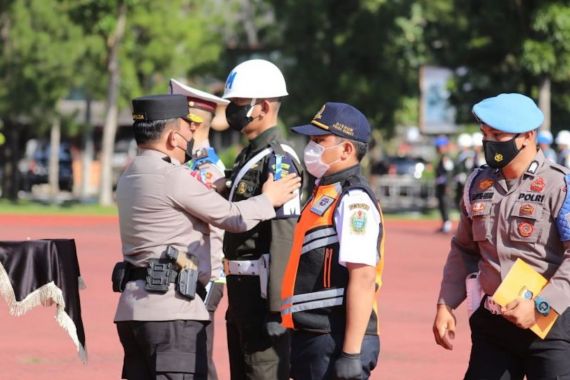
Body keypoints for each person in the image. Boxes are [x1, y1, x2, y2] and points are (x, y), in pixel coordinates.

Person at [113, 94, 301, 380]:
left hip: (132, 311)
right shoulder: (172, 177)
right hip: (171, 313)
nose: (193, 134)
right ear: (174, 138)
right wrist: (268, 198)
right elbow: (232, 217)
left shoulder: (129, 176)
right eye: (188, 127)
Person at [433, 93, 570, 379]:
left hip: (549, 324)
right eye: (485, 133)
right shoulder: (477, 184)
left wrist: (541, 306)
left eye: (497, 134)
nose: (488, 142)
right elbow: (464, 249)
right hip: (494, 325)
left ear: (527, 136)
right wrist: (446, 303)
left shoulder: (560, 186)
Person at [281, 102, 384, 380]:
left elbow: (362, 277)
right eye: (310, 140)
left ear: (347, 149)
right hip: (313, 335)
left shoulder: (353, 200)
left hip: (335, 337)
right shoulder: (324, 192)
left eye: (319, 140)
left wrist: (351, 353)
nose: (310, 147)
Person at [221, 59, 303, 380]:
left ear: (264, 106)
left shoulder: (277, 160)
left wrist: (278, 307)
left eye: (239, 104)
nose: (232, 111)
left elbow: (284, 234)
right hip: (241, 289)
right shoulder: (249, 155)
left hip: (261, 294)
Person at [170, 79, 229, 380]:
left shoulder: (206, 170)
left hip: (204, 277)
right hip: (190, 273)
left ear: (191, 124)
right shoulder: (190, 164)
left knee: (196, 362)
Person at [434, 135, 454, 233]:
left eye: (439, 147)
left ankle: (447, 223)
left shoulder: (446, 158)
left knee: (445, 204)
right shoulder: (441, 158)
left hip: (445, 186)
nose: (438, 149)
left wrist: (448, 185)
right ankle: (444, 222)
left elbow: (449, 172)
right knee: (441, 204)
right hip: (440, 185)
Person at [453, 133, 475, 208]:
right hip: (461, 182)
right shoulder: (461, 155)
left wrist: (465, 176)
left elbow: (469, 168)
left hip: (468, 182)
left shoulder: (470, 155)